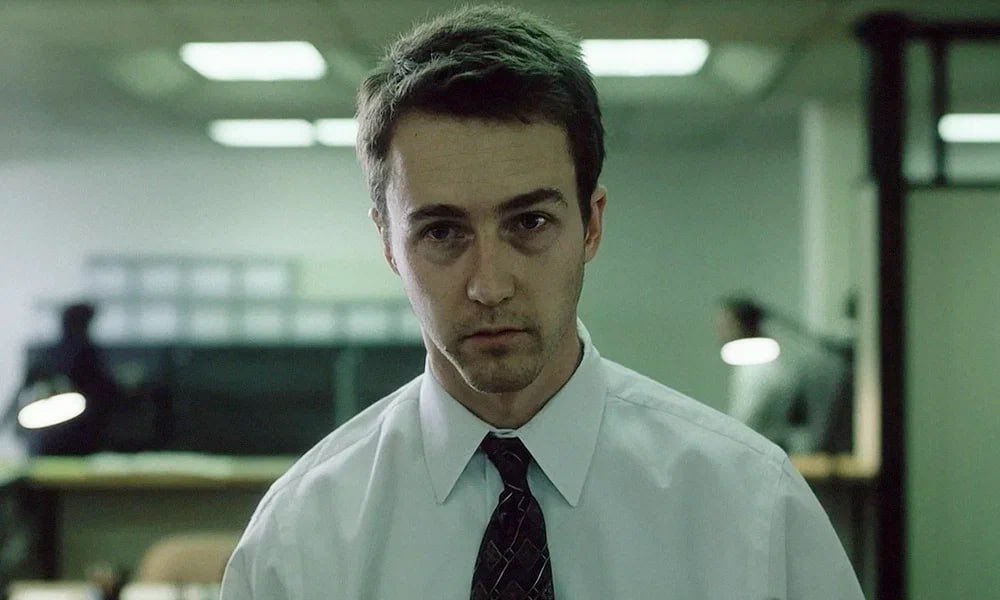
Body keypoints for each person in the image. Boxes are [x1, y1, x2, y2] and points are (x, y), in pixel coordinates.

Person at [222, 5, 864, 598]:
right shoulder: (301, 537)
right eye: (442, 232)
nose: (490, 285)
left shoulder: (750, 508)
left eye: (529, 223)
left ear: (591, 225)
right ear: (389, 244)